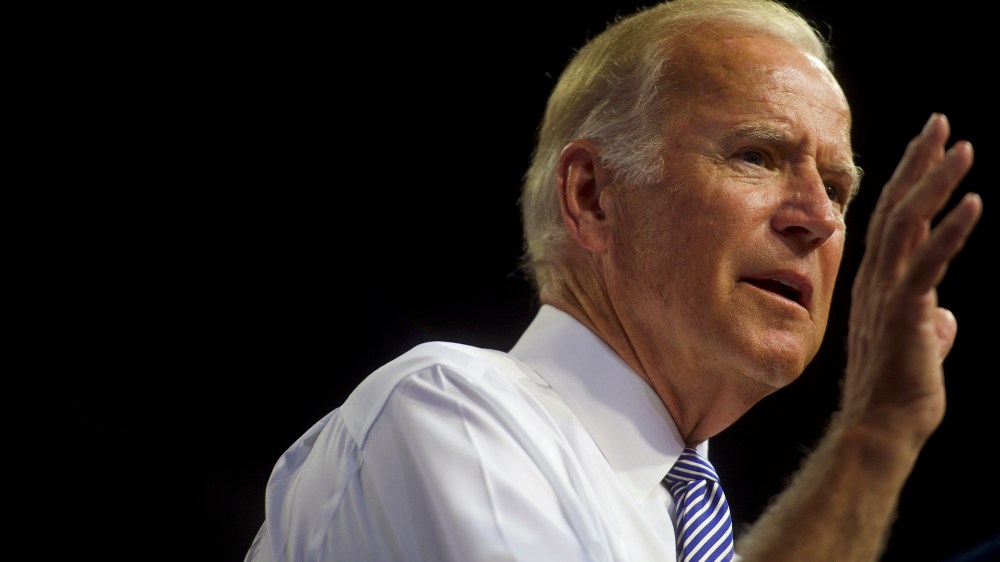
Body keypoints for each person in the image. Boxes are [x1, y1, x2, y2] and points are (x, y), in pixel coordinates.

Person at [244, 0, 983, 560]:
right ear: (592, 196)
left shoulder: (709, 529)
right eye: (757, 156)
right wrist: (875, 434)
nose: (817, 219)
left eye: (838, 188)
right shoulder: (452, 412)